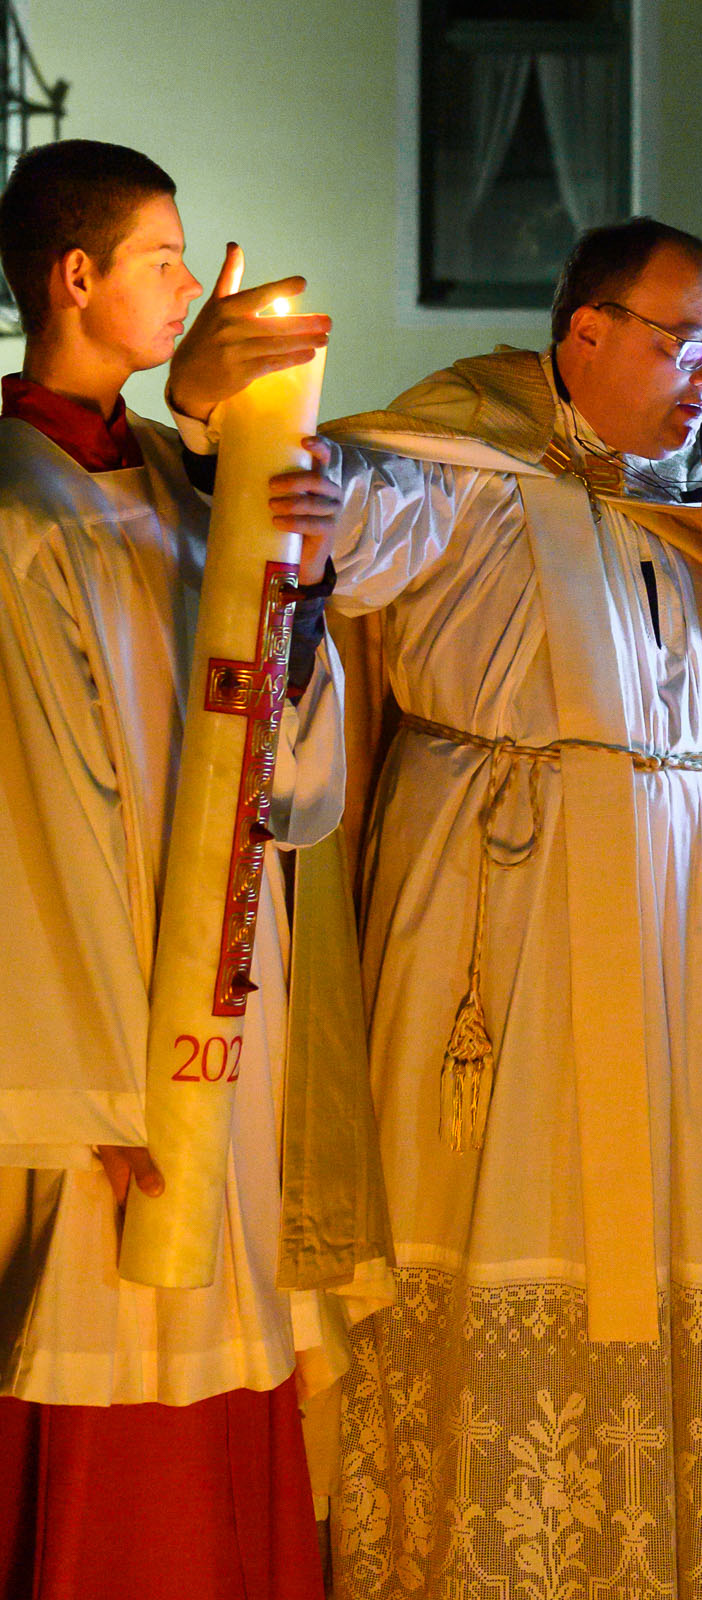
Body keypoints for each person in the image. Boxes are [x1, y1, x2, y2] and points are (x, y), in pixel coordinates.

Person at [280, 217, 702, 1599]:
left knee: (668, 1233)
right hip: (491, 912)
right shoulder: (463, 463)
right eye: (681, 341)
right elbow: (352, 514)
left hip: (676, 939)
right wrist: (299, 489)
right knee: (491, 1212)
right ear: (585, 331)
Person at [0, 139, 375, 1599]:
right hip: (90, 1034)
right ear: (73, 277)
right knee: (108, 1322)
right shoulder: (19, 512)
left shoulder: (173, 475)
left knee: (226, 1312)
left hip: (218, 978)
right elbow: (33, 826)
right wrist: (101, 1088)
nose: (188, 286)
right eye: (161, 260)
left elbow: (265, 740)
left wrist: (293, 569)